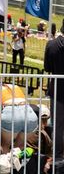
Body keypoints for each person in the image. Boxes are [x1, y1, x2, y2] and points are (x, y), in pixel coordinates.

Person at [45, 21, 64, 152]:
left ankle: (57, 156)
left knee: (57, 125)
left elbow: (47, 67)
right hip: (57, 90)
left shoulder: (51, 44)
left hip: (57, 90)